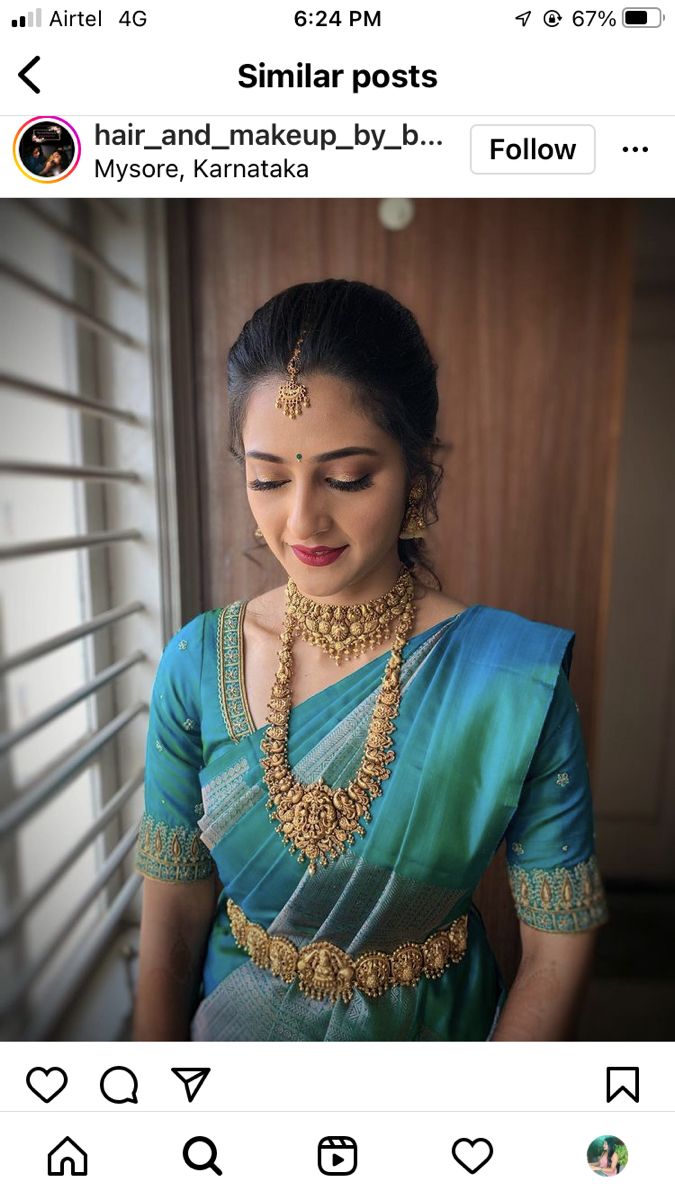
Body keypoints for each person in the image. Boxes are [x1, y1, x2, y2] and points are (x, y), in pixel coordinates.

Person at [133, 279, 609, 1041]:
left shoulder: (509, 680)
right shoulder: (198, 663)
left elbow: (558, 946)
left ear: (416, 474)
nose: (301, 520)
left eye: (348, 478)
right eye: (267, 478)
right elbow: (169, 927)